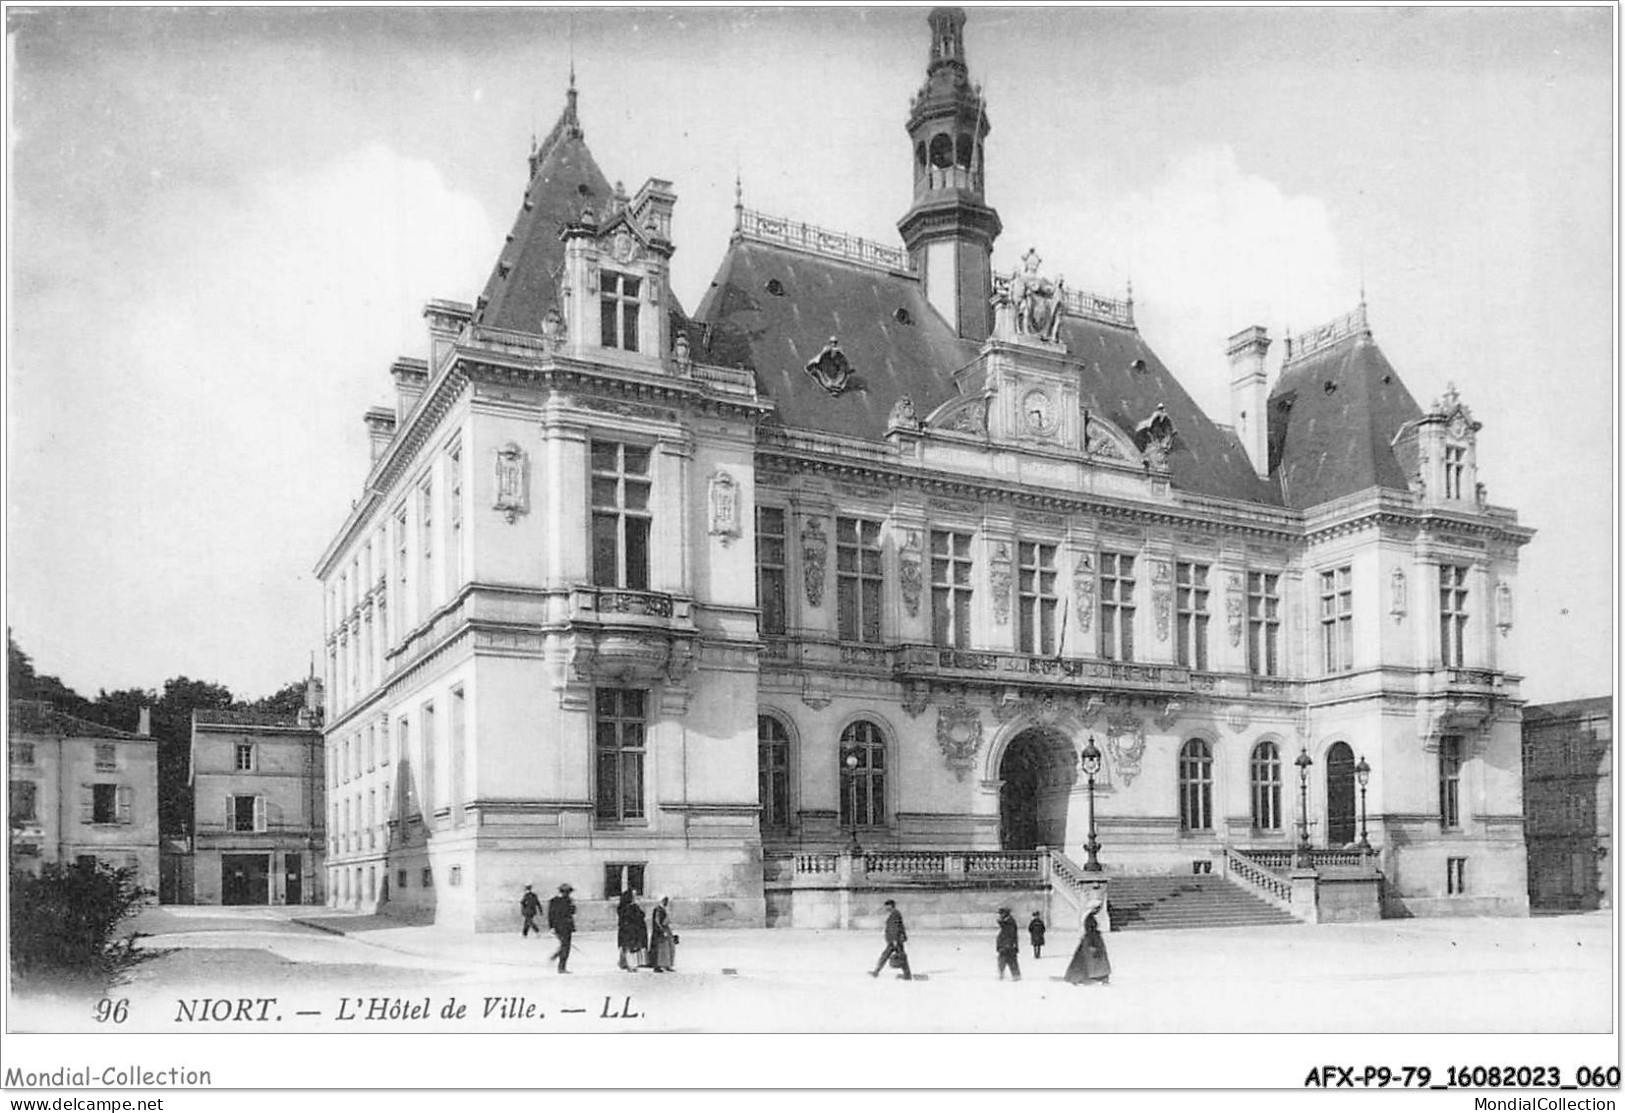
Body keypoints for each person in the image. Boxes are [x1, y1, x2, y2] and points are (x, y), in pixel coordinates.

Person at [1064, 900, 1112, 986]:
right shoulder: (1089, 918)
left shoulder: (1090, 917)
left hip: (1092, 939)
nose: (1098, 910)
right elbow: (1089, 931)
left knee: (1088, 960)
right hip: (1091, 940)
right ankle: (1099, 977)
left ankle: (1100, 977)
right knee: (1091, 960)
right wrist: (1092, 944)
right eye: (1097, 909)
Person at [869, 899, 912, 980]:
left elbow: (895, 928)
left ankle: (876, 972)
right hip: (894, 940)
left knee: (898, 957)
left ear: (890, 906)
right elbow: (900, 927)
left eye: (886, 906)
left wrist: (895, 940)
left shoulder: (895, 914)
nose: (885, 908)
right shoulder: (895, 914)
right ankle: (876, 972)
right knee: (895, 956)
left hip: (895, 941)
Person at [545, 882, 576, 973]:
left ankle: (558, 959)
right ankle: (561, 967)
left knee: (565, 946)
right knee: (565, 946)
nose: (568, 894)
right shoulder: (556, 901)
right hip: (560, 927)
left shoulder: (567, 900)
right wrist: (551, 927)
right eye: (567, 892)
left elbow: (572, 912)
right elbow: (551, 915)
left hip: (566, 927)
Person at [617, 889, 648, 971]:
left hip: (630, 930)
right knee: (629, 948)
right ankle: (631, 965)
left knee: (628, 948)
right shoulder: (629, 907)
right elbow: (639, 916)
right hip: (629, 930)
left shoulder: (628, 907)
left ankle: (624, 963)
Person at [648, 896, 677, 972]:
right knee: (660, 949)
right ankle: (658, 965)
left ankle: (667, 964)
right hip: (660, 931)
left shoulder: (662, 909)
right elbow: (657, 921)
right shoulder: (658, 909)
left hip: (666, 929)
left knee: (669, 947)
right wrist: (661, 930)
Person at [996, 907, 1021, 981]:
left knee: (1010, 961)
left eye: (1001, 914)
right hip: (1005, 945)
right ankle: (1005, 974)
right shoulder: (1007, 922)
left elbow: (1011, 935)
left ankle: (1015, 976)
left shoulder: (1009, 923)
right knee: (1004, 961)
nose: (1000, 916)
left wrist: (1008, 945)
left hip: (1008, 946)